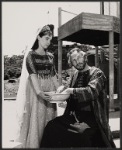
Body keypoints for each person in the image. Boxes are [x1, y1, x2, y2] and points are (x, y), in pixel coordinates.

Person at [40, 48, 116, 148]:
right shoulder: (75, 75)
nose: (77, 62)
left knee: (80, 136)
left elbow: (91, 92)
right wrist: (62, 91)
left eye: (78, 58)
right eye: (74, 60)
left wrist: (70, 90)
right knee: (51, 126)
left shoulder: (97, 73)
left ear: (84, 57)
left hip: (93, 118)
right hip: (75, 116)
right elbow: (69, 92)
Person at [13, 24, 59, 148]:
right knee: (37, 119)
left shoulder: (50, 56)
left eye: (50, 39)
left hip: (49, 91)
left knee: (49, 119)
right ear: (38, 37)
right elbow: (33, 76)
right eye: (46, 39)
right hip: (36, 92)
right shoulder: (31, 56)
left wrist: (60, 91)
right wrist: (40, 93)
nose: (49, 42)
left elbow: (54, 76)